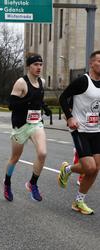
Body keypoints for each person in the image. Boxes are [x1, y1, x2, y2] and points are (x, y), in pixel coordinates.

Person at [3, 53, 51, 202]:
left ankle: (32, 184)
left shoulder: (42, 82)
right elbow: (12, 105)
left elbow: (38, 100)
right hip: (21, 125)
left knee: (42, 153)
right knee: (15, 158)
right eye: (35, 64)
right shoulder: (21, 83)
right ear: (29, 66)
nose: (39, 67)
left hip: (36, 123)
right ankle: (7, 183)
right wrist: (27, 100)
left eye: (40, 64)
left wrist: (45, 107)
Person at [58, 50, 100, 215]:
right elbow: (62, 97)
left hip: (97, 130)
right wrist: (69, 117)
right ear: (91, 63)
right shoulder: (83, 81)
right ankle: (67, 170)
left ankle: (78, 201)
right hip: (80, 129)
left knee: (96, 168)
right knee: (89, 168)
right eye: (99, 61)